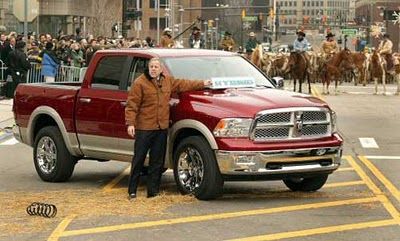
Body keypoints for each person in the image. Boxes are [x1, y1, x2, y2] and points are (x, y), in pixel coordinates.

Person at [125, 58, 211, 199]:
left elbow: (184, 84)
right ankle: (132, 191)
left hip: (161, 128)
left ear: (161, 69)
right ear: (148, 68)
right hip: (145, 128)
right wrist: (130, 123)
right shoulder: (139, 83)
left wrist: (203, 83)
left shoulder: (167, 81)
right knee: (139, 159)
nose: (153, 69)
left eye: (156, 67)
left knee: (157, 161)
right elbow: (132, 105)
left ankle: (153, 192)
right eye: (151, 66)